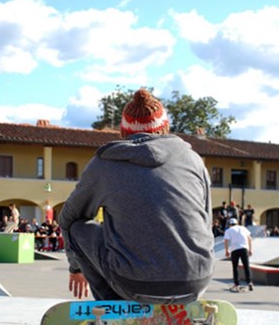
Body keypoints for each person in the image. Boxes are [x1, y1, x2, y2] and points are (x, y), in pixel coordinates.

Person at [58, 88, 215, 304]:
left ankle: (113, 308)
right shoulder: (194, 160)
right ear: (165, 128)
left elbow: (68, 218)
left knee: (78, 228)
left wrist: (76, 266)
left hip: (133, 283)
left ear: (123, 132)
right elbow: (206, 220)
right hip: (197, 280)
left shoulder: (106, 163)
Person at [224, 218, 253, 292]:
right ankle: (249, 282)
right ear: (237, 223)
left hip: (234, 249)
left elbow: (226, 240)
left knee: (235, 267)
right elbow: (250, 238)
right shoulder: (243, 228)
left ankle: (237, 284)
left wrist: (227, 250)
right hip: (244, 248)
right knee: (246, 266)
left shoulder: (228, 230)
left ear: (230, 224)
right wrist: (250, 249)